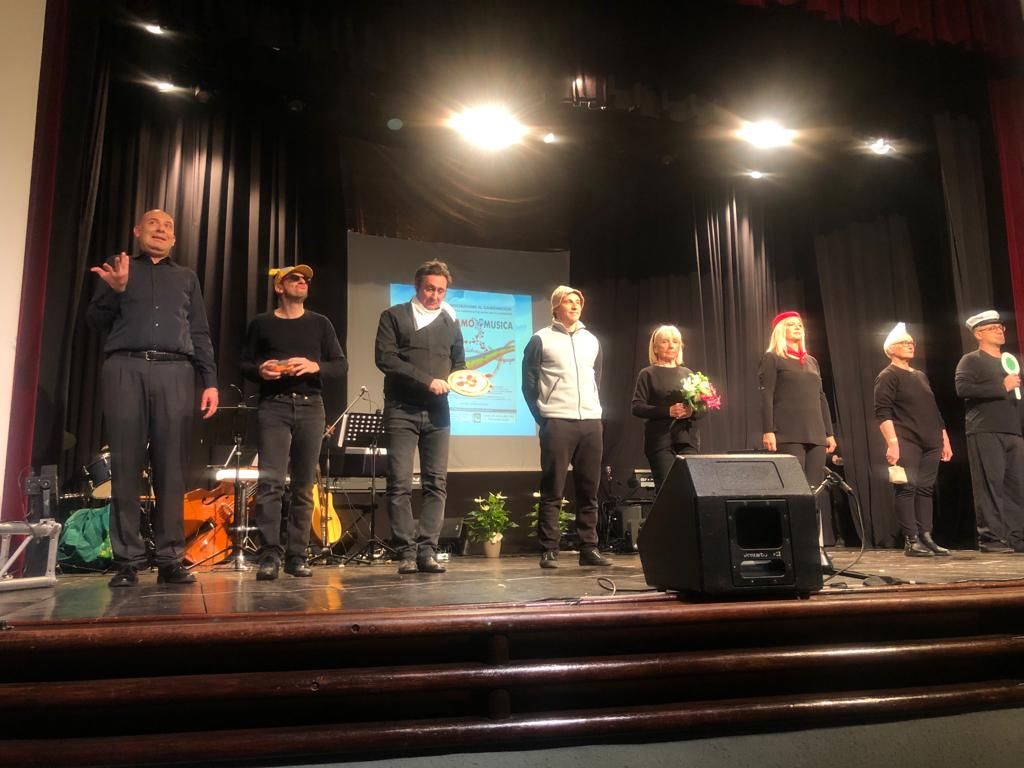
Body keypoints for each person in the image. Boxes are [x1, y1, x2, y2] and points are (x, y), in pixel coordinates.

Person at [86, 209, 219, 587]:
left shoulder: (186, 277)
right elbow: (94, 321)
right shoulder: (120, 267)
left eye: (168, 226)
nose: (161, 230)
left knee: (171, 468)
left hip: (175, 371)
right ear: (137, 230)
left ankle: (170, 559)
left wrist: (210, 381)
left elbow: (200, 332)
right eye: (153, 224)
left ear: (174, 238)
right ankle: (127, 561)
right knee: (126, 466)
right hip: (125, 367)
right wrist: (115, 291)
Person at [240, 265, 347, 580]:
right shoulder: (262, 323)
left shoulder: (320, 323)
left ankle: (297, 555)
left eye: (306, 279)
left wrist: (315, 366)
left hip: (311, 406)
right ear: (279, 286)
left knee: (303, 486)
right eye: (295, 278)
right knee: (270, 484)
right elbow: (244, 363)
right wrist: (261, 370)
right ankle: (269, 554)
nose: (302, 282)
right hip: (273, 406)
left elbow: (340, 365)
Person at [375, 260, 466, 574]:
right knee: (399, 483)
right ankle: (406, 552)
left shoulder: (450, 322)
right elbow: (385, 359)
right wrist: (427, 380)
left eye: (440, 291)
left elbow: (459, 364)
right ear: (417, 287)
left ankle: (427, 551)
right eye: (429, 289)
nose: (435, 295)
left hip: (438, 412)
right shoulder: (394, 316)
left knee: (436, 483)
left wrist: (469, 382)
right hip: (401, 409)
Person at [523, 285, 613, 569]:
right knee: (553, 488)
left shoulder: (591, 340)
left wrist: (592, 410)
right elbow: (528, 384)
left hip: (590, 422)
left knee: (589, 488)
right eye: (568, 301)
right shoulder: (540, 339)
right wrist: (544, 417)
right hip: (557, 421)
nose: (574, 306)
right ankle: (549, 549)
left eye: (578, 302)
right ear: (555, 307)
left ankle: (589, 548)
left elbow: (596, 379)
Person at [873, 323, 953, 557]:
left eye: (911, 342)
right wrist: (892, 443)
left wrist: (944, 438)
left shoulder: (920, 376)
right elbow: (882, 412)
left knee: (926, 489)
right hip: (907, 439)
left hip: (931, 440)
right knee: (907, 488)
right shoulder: (887, 376)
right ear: (890, 349)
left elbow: (933, 409)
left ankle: (926, 536)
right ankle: (911, 540)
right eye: (904, 342)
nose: (910, 345)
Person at [955, 310, 1024, 553]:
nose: (999, 331)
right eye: (992, 328)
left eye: (1000, 327)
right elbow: (962, 389)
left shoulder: (1010, 360)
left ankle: (1017, 537)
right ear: (978, 334)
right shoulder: (971, 360)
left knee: (1017, 486)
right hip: (985, 429)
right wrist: (1000, 386)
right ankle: (991, 538)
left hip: (1012, 431)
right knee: (990, 485)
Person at [759, 311, 837, 487]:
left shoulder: (812, 361)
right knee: (795, 487)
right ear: (781, 330)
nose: (797, 327)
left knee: (815, 488)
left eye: (800, 325)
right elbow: (766, 395)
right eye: (791, 324)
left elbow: (821, 396)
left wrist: (829, 433)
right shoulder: (773, 358)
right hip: (788, 433)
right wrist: (768, 430)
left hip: (816, 434)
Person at [631, 325, 702, 492]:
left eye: (675, 342)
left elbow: (703, 408)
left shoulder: (687, 373)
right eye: (665, 341)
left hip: (687, 441)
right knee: (668, 491)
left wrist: (692, 411)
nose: (671, 346)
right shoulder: (648, 374)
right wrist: (667, 411)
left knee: (690, 491)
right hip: (660, 442)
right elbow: (637, 407)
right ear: (655, 348)